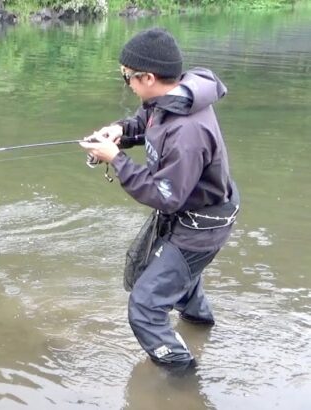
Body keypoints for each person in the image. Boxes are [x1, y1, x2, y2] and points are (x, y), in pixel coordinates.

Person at [80, 27, 240, 374]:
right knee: (178, 278)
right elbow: (149, 119)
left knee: (145, 306)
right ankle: (200, 328)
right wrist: (121, 132)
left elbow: (163, 196)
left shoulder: (188, 132)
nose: (127, 83)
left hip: (200, 225)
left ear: (148, 77)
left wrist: (115, 160)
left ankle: (182, 377)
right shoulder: (171, 98)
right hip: (191, 213)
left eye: (127, 78)